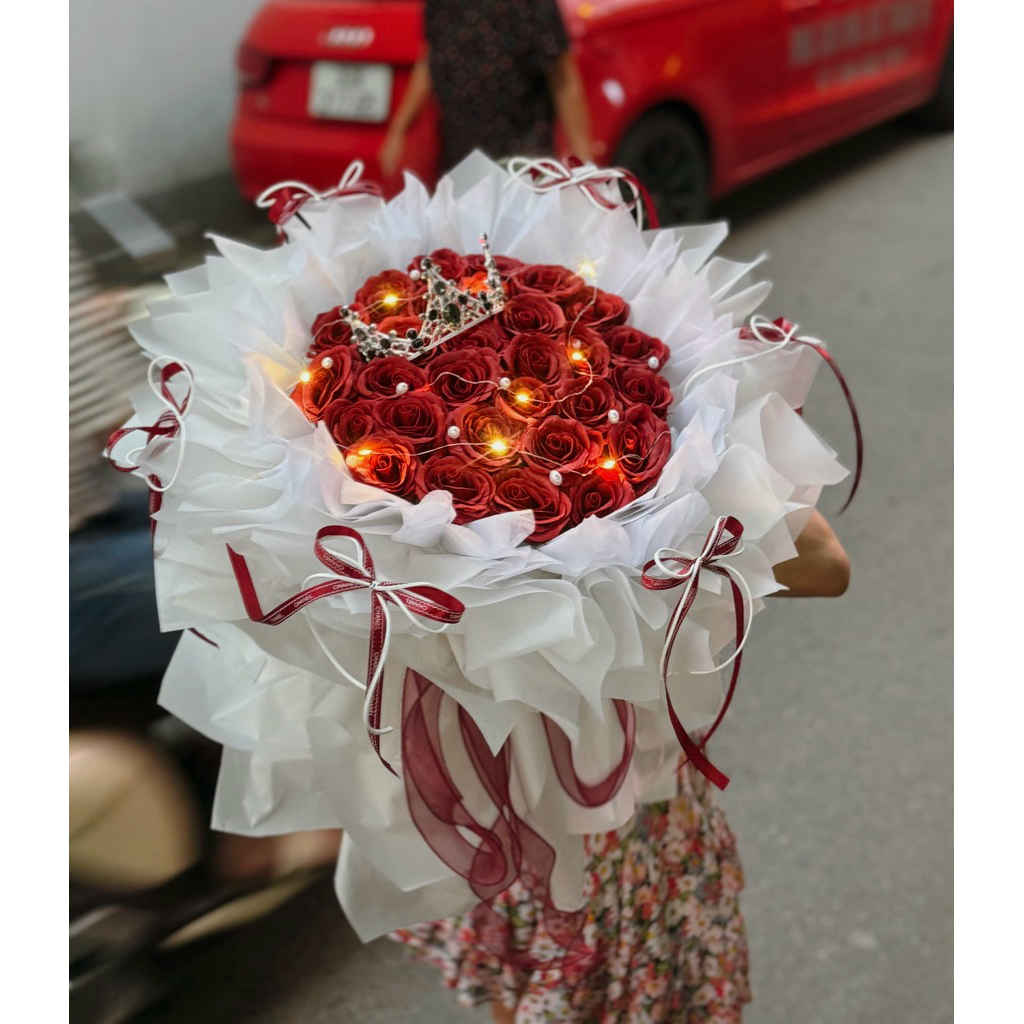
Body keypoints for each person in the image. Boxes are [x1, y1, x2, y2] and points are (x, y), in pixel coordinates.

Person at [391, 509, 850, 1024]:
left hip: (611, 801)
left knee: (582, 968)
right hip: (490, 783)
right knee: (530, 963)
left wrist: (643, 554)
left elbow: (825, 567)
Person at [379, 0, 592, 178]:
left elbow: (564, 81)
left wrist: (584, 165)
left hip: (520, 163)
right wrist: (399, 129)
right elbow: (429, 60)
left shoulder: (533, 5)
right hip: (460, 157)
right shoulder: (441, 5)